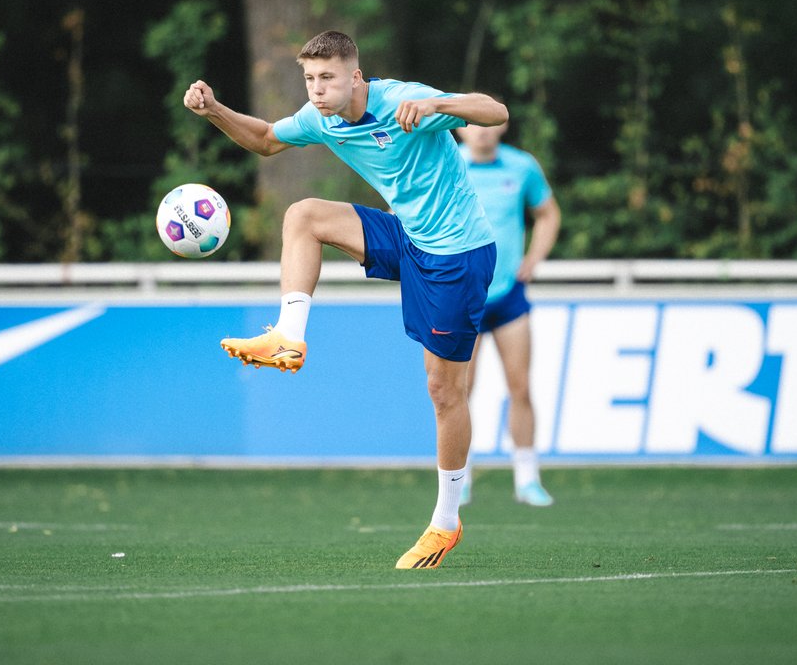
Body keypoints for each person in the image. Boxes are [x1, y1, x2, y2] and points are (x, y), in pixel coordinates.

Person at [183, 31, 504, 568]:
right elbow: (265, 138)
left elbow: (494, 111)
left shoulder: (403, 100)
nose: (316, 89)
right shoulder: (320, 118)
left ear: (355, 77)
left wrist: (437, 105)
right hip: (410, 237)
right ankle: (288, 336)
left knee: (443, 390)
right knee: (304, 215)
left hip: (458, 255)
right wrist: (214, 109)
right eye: (310, 78)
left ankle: (446, 522)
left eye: (327, 78)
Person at [456, 119, 560, 507]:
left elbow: (548, 213)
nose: (481, 130)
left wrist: (534, 257)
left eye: (489, 123)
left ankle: (527, 480)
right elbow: (407, 209)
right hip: (462, 296)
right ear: (459, 130)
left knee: (520, 387)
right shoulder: (448, 163)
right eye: (472, 124)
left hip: (509, 296)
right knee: (459, 393)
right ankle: (459, 479)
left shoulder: (522, 166)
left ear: (501, 127)